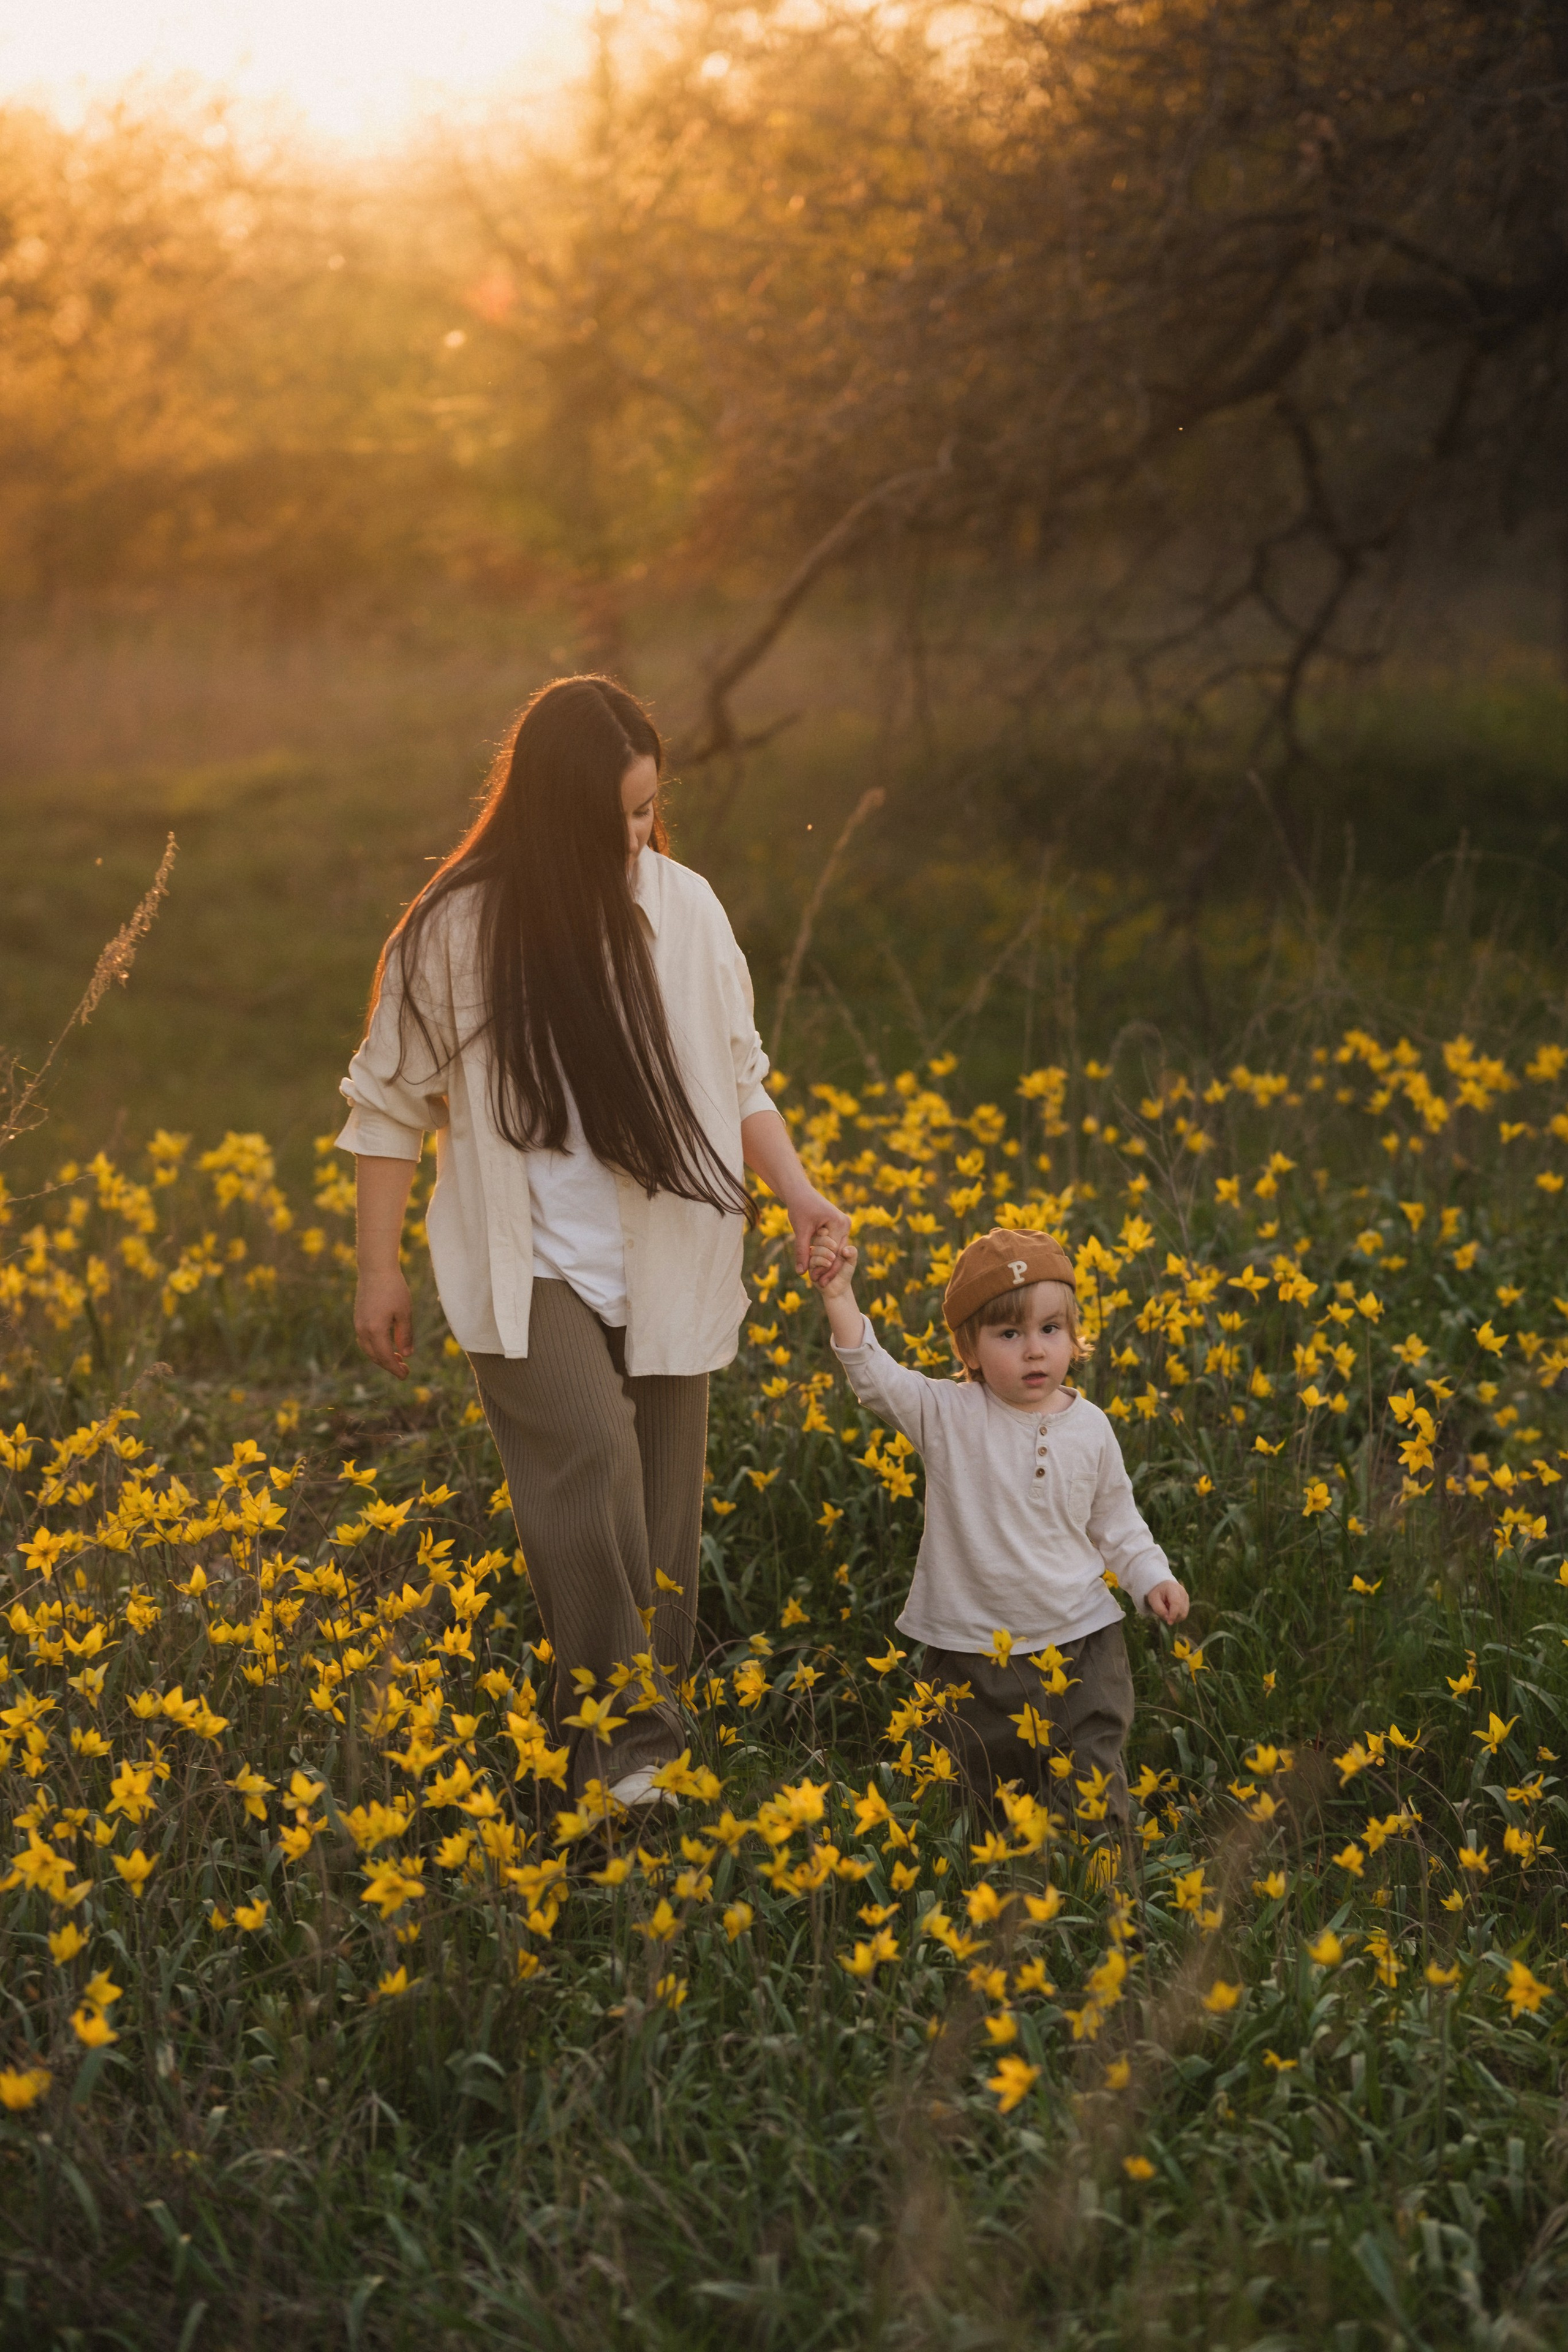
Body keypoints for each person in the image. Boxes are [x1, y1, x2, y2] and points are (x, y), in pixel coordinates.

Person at [338, 675, 849, 1814]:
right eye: (614, 814)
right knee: (591, 1462)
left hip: (671, 1252)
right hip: (528, 1268)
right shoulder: (455, 929)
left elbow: (742, 1076)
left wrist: (802, 1194)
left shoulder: (687, 910)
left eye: (648, 808)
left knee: (659, 1529)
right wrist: (378, 1269)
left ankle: (619, 1773)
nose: (636, 835)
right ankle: (631, 1750)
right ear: (549, 810)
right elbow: (386, 1106)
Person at [811, 1224, 1188, 1833]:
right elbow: (875, 1378)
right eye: (1009, 1334)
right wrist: (838, 1295)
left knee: (1091, 1785)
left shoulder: (1091, 1426)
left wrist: (1152, 1578)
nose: (1034, 1350)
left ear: (1073, 1334)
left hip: (1081, 1643)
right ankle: (997, 1887)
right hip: (972, 1653)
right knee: (975, 1797)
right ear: (969, 1348)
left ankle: (1097, 1885)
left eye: (1050, 1329)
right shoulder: (947, 1414)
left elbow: (1117, 1521)